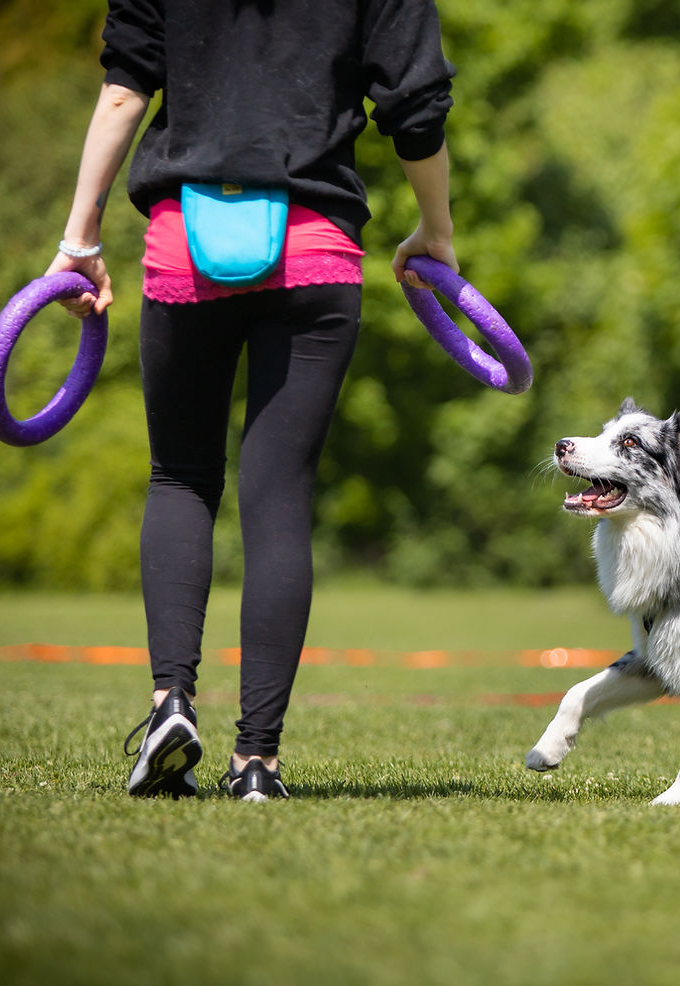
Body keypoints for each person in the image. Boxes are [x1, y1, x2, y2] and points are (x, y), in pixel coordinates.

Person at [47, 0, 458, 801]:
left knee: (180, 478)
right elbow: (415, 104)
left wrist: (79, 236)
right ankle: (257, 763)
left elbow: (127, 84)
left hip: (185, 241)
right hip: (316, 243)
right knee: (278, 500)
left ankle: (171, 702)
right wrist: (436, 228)